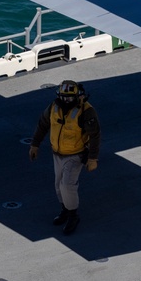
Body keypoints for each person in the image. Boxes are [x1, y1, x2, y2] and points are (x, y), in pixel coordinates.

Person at [28, 80, 100, 235]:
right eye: (63, 97)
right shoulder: (54, 108)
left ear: (77, 96)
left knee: (67, 185)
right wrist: (35, 144)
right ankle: (65, 210)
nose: (66, 101)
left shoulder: (86, 111)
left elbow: (95, 136)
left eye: (69, 98)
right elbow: (43, 124)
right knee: (58, 185)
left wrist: (92, 158)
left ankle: (73, 216)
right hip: (57, 154)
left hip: (75, 155)